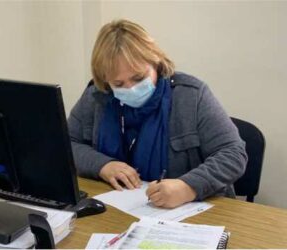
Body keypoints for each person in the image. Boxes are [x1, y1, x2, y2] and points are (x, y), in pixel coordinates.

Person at [68, 19, 247, 209]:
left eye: (139, 77)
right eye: (118, 84)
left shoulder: (191, 95)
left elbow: (233, 153)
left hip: (191, 213)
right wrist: (102, 165)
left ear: (156, 62)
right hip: (120, 211)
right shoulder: (97, 97)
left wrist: (188, 187)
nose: (131, 88)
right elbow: (67, 143)